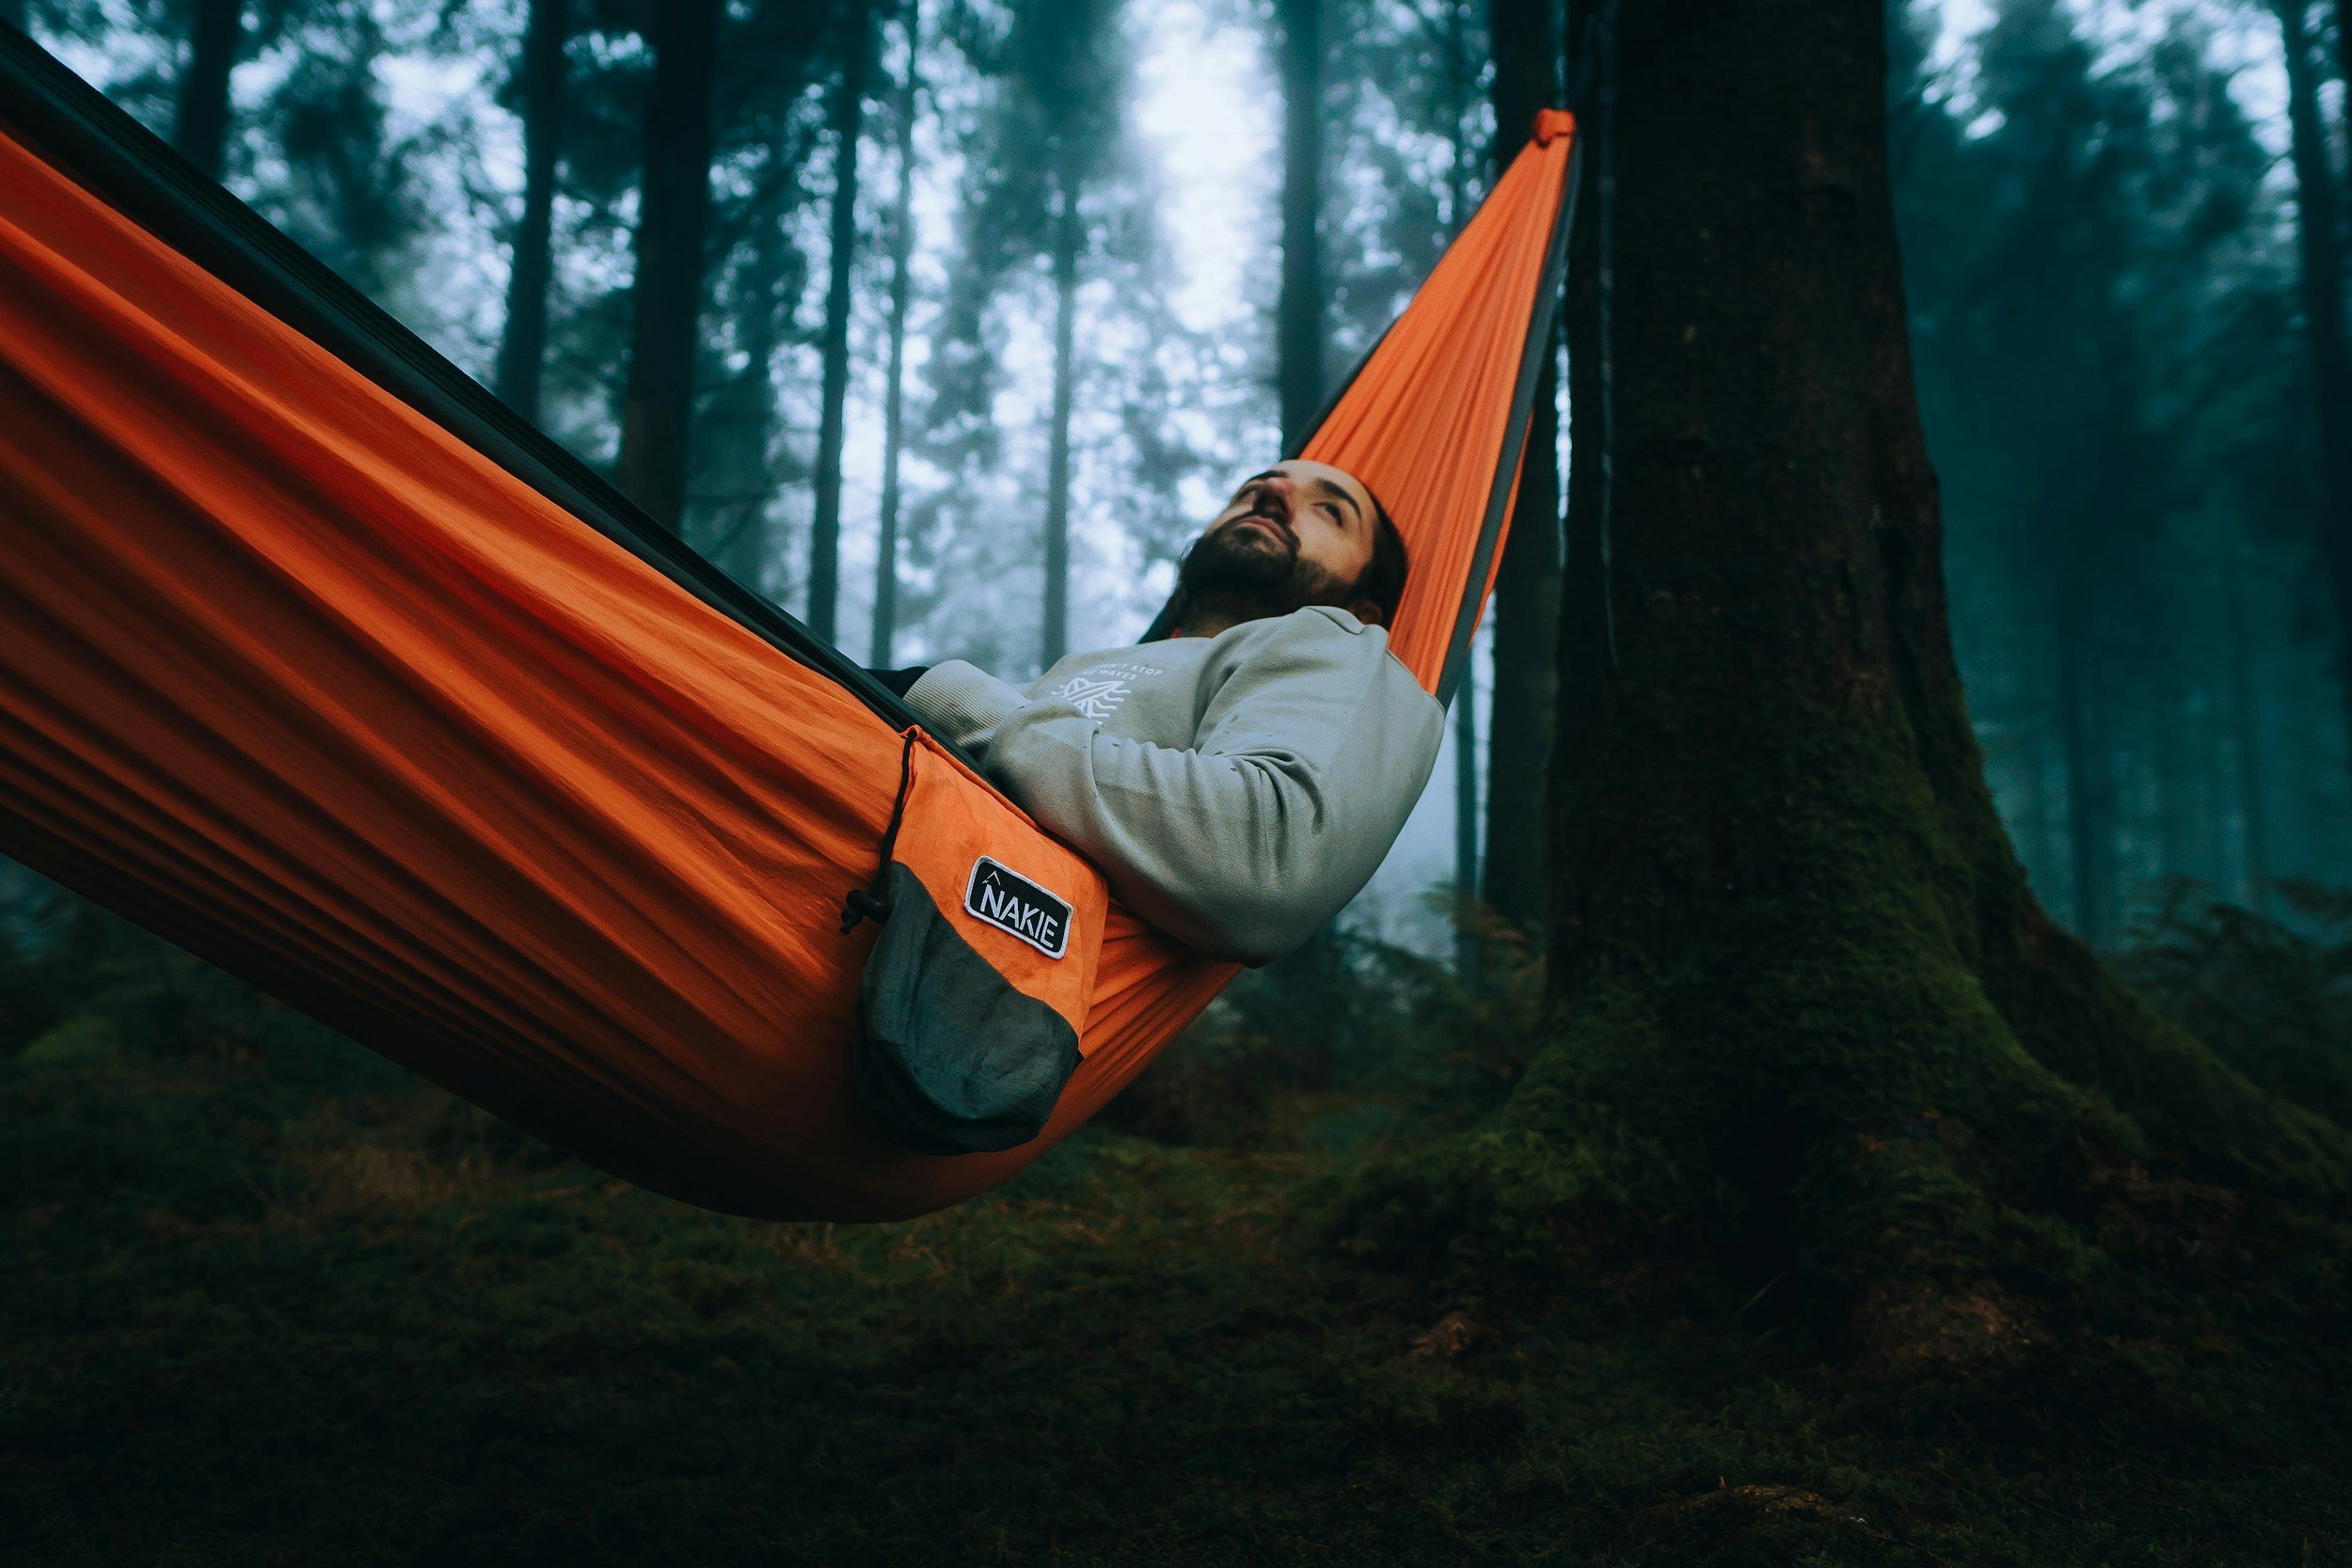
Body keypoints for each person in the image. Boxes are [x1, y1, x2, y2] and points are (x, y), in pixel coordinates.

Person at [875, 459, 1444, 965]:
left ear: (1365, 613)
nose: (1270, 494)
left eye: (1329, 511)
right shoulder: (1086, 663)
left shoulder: (1343, 647)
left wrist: (954, 701)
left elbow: (1265, 862)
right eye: (1252, 488)